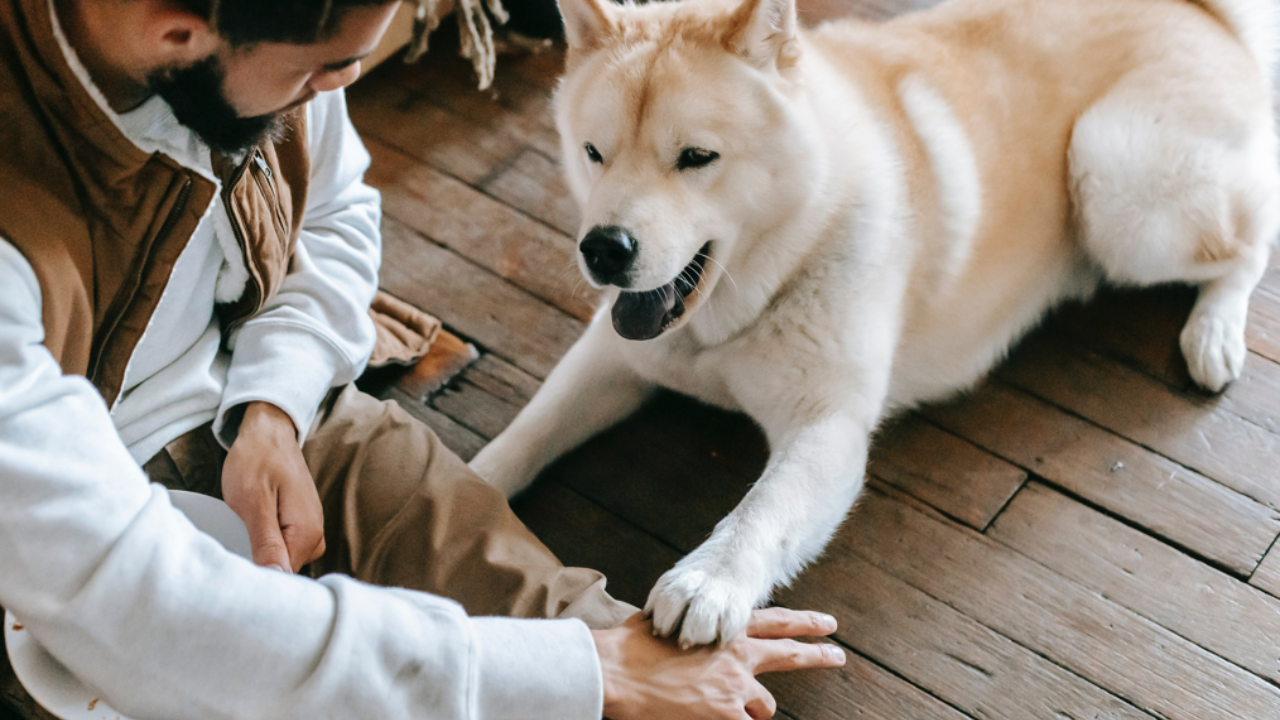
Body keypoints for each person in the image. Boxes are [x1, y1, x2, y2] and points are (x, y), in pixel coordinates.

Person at [0, 0, 846, 718]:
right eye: (321, 74)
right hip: (47, 550)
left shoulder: (272, 30)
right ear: (175, 37)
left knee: (574, 621)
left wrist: (275, 405)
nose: (336, 88)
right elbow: (139, 606)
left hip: (273, 411)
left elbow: (332, 213)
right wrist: (589, 676)